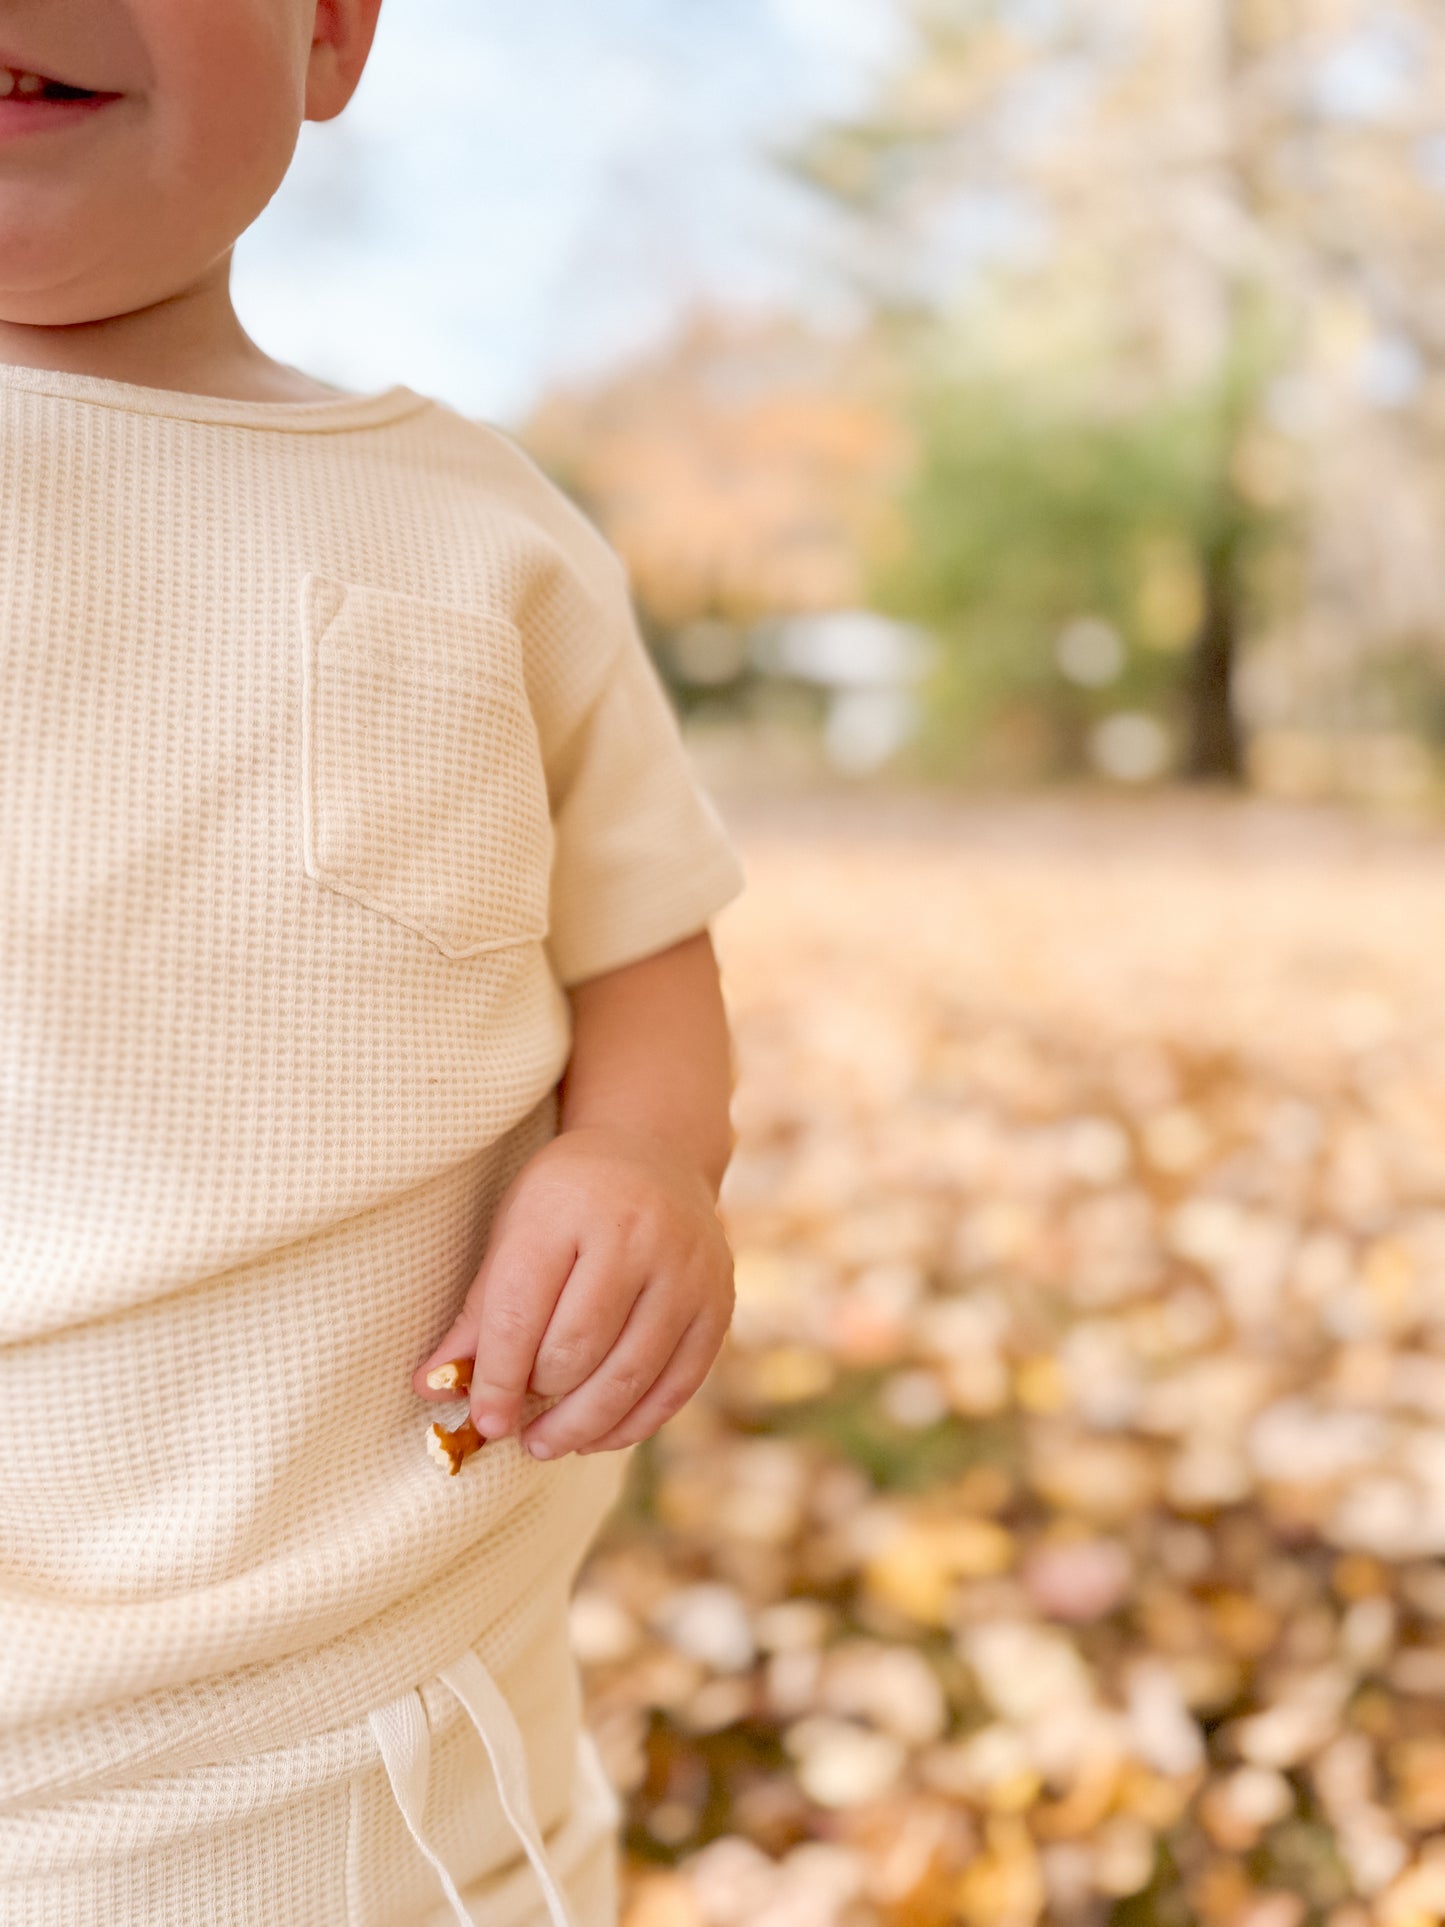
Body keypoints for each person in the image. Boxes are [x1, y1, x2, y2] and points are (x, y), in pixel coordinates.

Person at [0, 4, 745, 1923]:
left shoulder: (472, 527)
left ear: (328, 30)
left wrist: (643, 1155)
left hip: (386, 1745)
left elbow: (642, 943)